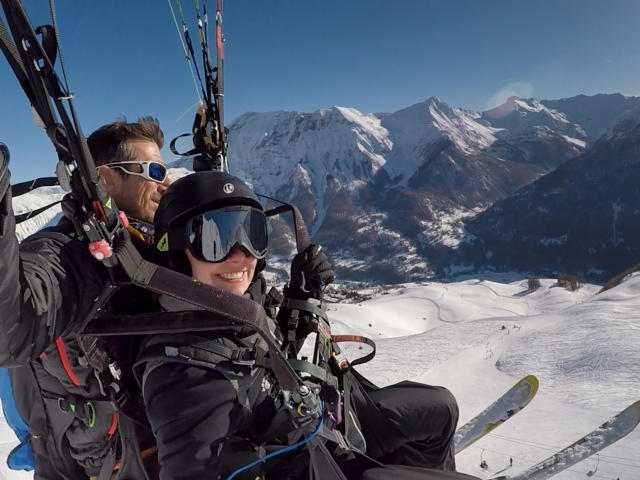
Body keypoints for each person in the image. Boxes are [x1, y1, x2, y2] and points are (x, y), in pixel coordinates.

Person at [136, 170, 475, 480]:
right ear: (177, 252)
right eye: (214, 239)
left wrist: (299, 294)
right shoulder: (185, 379)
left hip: (320, 424)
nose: (241, 255)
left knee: (438, 408)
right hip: (304, 461)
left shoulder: (234, 305)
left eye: (251, 234)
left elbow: (268, 353)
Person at [0, 117, 170, 480]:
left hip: (161, 444)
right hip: (109, 465)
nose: (163, 183)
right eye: (152, 170)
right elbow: (9, 330)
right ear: (107, 178)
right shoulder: (70, 256)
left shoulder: (145, 243)